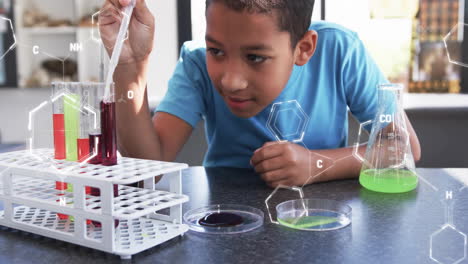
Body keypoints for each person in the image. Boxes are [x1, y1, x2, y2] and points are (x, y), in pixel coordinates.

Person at [100, 0, 421, 187]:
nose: (231, 80)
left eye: (255, 57)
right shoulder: (196, 62)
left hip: (322, 218)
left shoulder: (341, 50)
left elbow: (404, 150)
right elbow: (146, 170)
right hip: (226, 219)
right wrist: (130, 66)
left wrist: (316, 164)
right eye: (217, 50)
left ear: (303, 48)